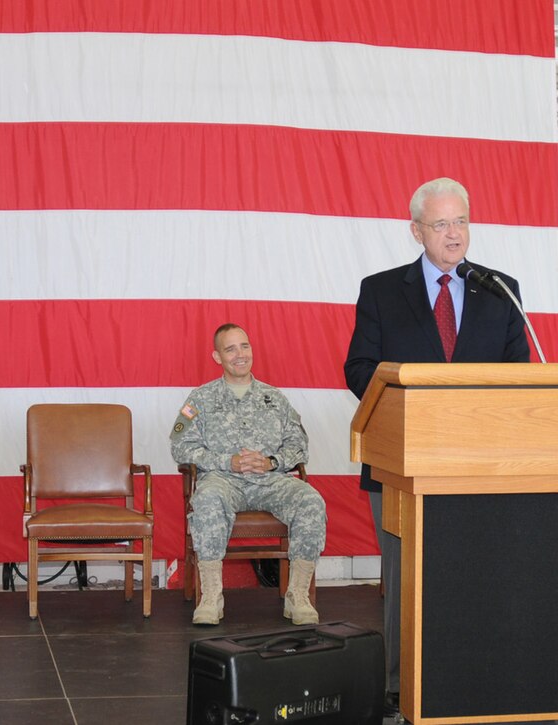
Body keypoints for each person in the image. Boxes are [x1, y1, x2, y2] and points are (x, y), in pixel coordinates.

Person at [344, 177, 529, 715]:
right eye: (442, 223)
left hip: (481, 464)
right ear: (416, 231)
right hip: (402, 462)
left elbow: (519, 374)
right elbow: (359, 368)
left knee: (479, 574)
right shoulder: (381, 289)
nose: (454, 233)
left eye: (462, 221)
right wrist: (412, 401)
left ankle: (478, 680)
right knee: (409, 581)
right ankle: (401, 689)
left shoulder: (501, 288)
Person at [170, 323, 326, 626]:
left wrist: (271, 461)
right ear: (217, 356)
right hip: (223, 480)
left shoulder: (274, 398)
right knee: (207, 500)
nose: (240, 355)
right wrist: (227, 461)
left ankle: (297, 595)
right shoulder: (200, 399)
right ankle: (212, 595)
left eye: (245, 346)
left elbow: (299, 445)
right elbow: (181, 446)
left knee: (311, 500)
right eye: (230, 349)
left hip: (271, 481)